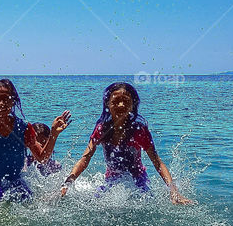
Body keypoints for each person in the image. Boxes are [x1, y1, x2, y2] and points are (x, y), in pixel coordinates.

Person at [61, 82, 193, 204]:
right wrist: (67, 183)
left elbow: (157, 162)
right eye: (116, 101)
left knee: (144, 203)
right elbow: (85, 158)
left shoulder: (139, 130)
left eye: (126, 101)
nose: (121, 105)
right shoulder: (102, 130)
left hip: (138, 179)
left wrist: (173, 190)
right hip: (112, 178)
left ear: (133, 105)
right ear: (108, 104)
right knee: (95, 203)